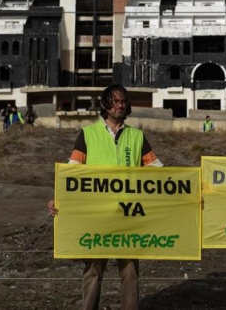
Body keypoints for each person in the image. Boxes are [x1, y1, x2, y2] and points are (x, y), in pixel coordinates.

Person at [47, 84, 163, 310]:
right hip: (96, 219)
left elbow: (159, 172)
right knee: (93, 270)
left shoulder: (137, 137)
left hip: (128, 218)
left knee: (130, 271)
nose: (120, 105)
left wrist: (186, 191)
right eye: (115, 100)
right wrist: (57, 198)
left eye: (123, 101)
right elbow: (72, 173)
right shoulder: (88, 135)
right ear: (104, 104)